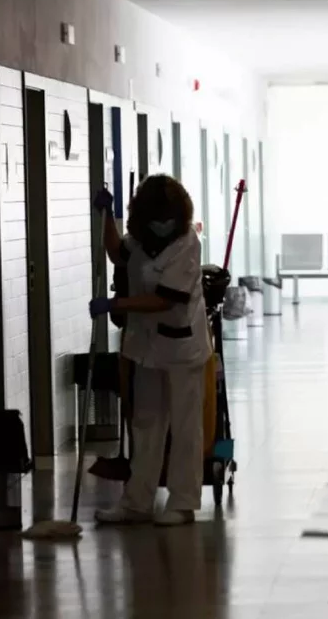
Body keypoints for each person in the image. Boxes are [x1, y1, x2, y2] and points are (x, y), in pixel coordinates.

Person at [89, 175, 211, 526]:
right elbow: (116, 254)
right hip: (145, 347)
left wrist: (116, 303)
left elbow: (163, 299)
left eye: (167, 219)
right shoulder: (140, 239)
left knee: (185, 426)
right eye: (154, 219)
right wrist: (107, 216)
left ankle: (183, 502)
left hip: (182, 346)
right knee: (145, 424)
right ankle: (137, 501)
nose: (161, 226)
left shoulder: (187, 243)